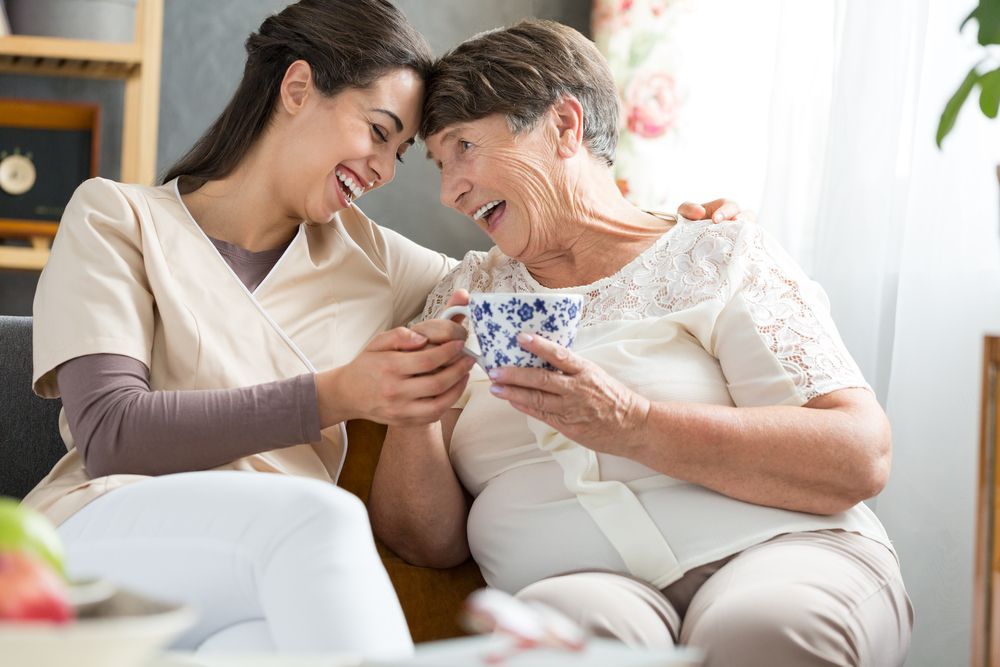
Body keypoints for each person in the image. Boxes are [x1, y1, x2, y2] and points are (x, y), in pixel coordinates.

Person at [20, 0, 736, 657]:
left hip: (251, 581)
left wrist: (665, 232)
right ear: (297, 88)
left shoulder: (381, 264)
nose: (385, 170)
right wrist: (335, 394)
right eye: (379, 132)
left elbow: (537, 261)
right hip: (104, 535)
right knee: (321, 518)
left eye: (400, 155)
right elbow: (114, 434)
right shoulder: (119, 218)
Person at [369, 19, 914, 667]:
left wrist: (634, 424)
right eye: (438, 161)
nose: (449, 189)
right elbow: (425, 542)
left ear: (565, 125)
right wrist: (416, 415)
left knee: (762, 629)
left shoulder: (716, 252)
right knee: (563, 640)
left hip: (780, 551)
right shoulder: (463, 297)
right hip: (581, 585)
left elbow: (857, 456)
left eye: (464, 147)